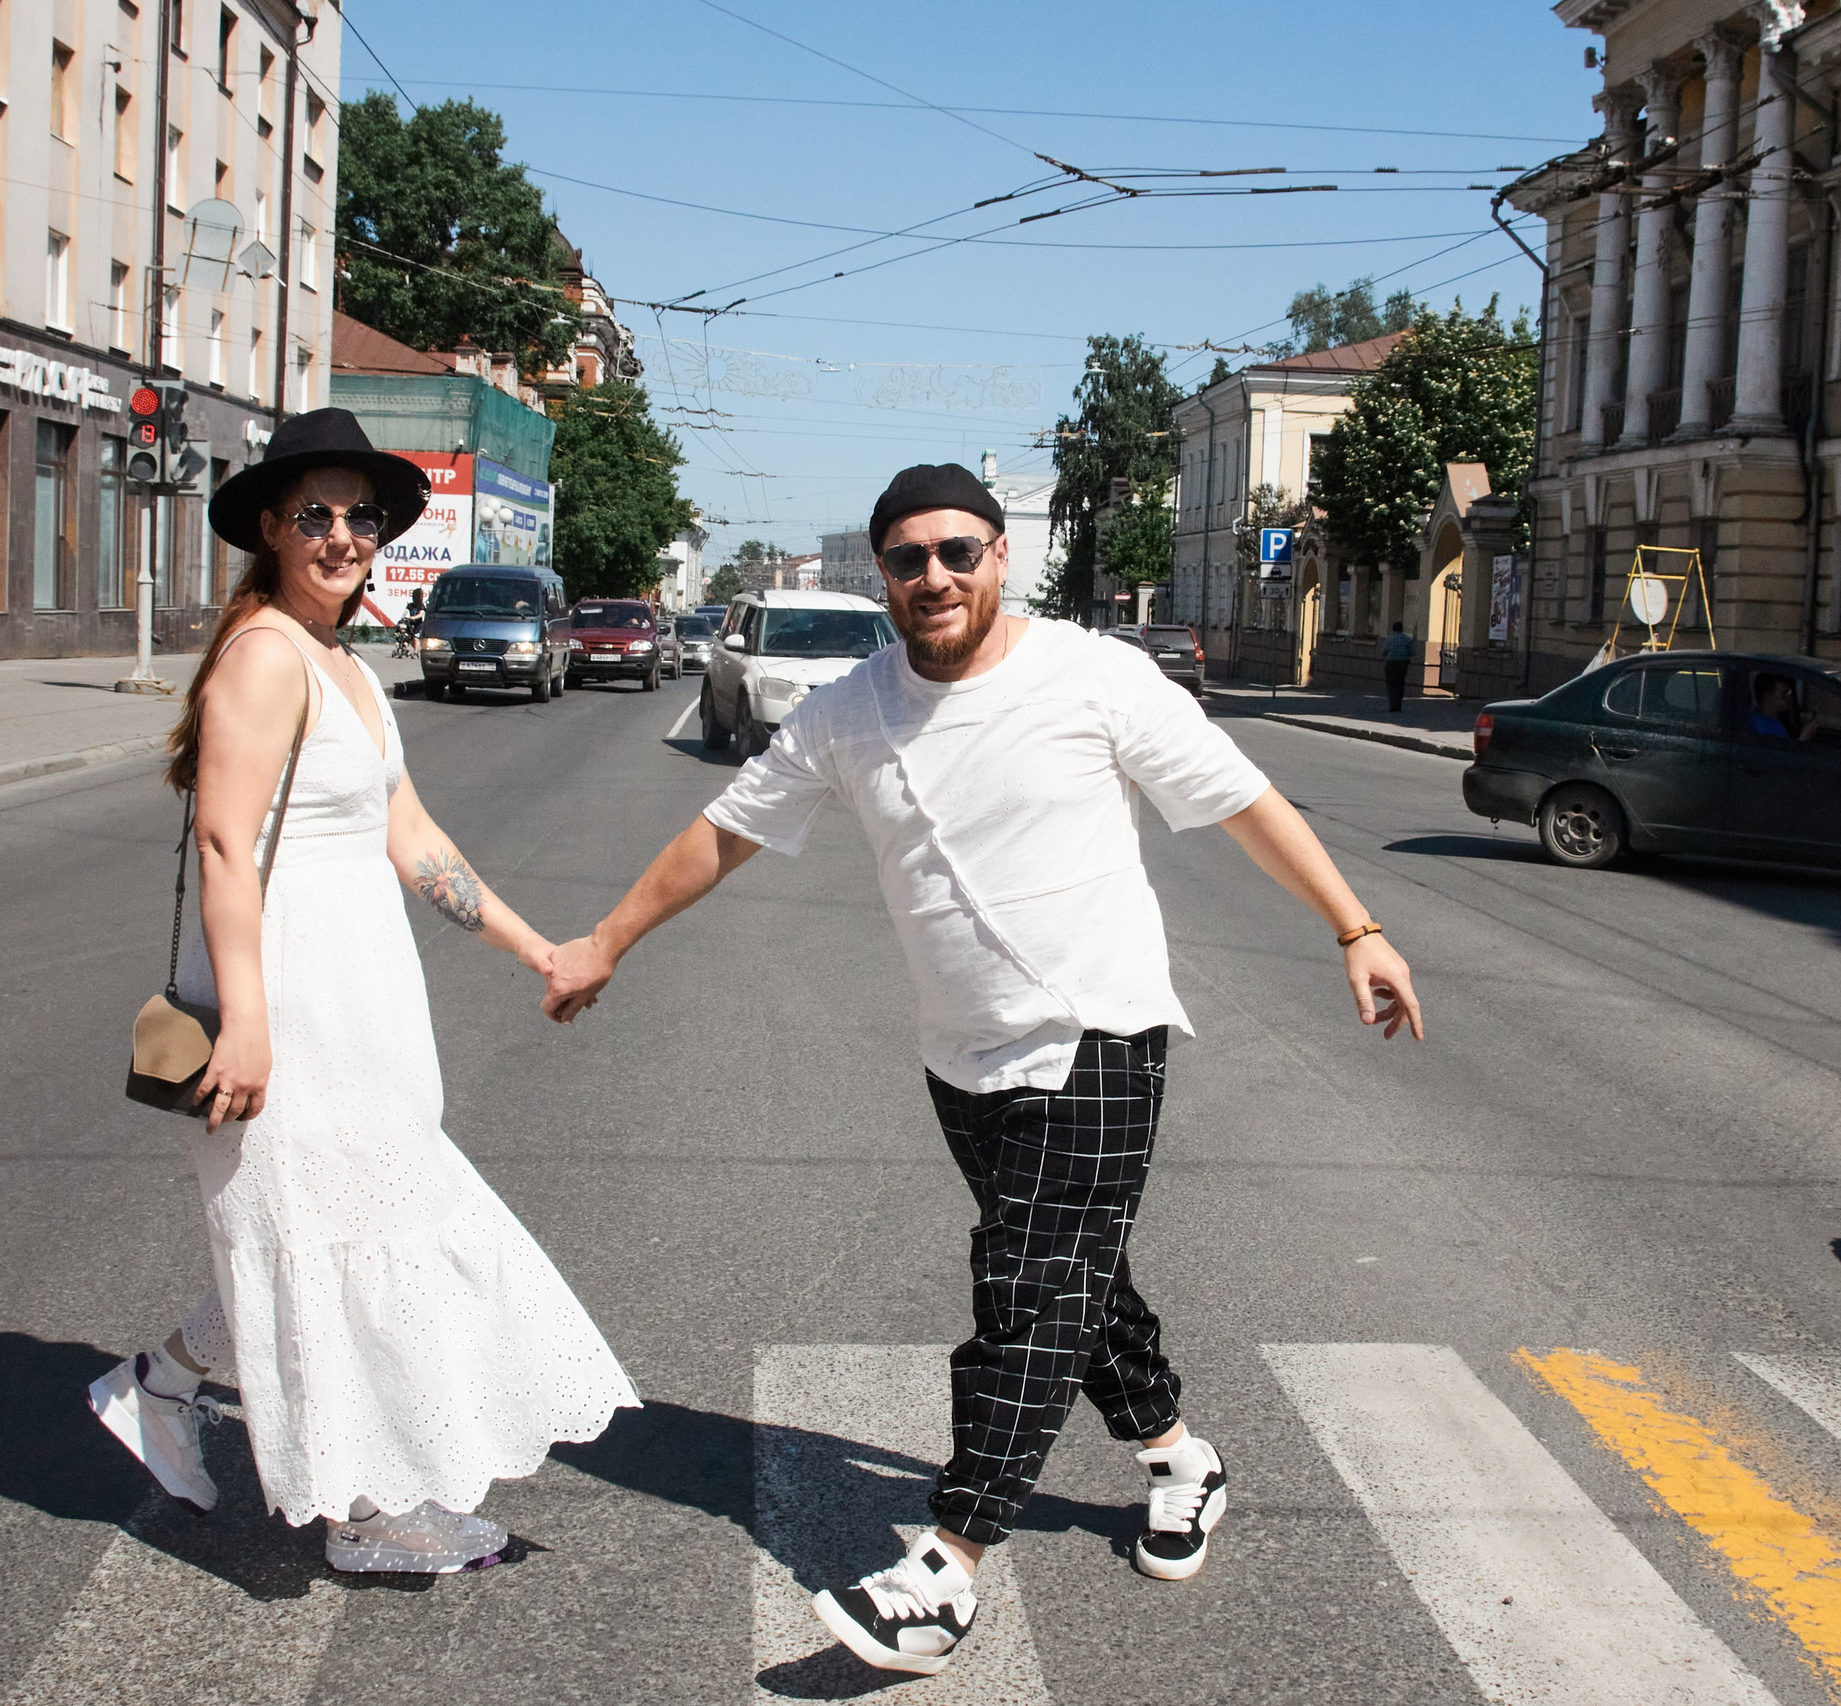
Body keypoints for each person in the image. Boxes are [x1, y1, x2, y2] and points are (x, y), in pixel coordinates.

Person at [543, 463, 1424, 1677]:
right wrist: (606, 939)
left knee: (1026, 1287)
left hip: (1100, 1033)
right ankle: (1178, 1456)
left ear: (1001, 556)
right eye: (908, 559)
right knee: (1078, 1281)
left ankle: (946, 1565)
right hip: (961, 1054)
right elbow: (724, 830)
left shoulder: (1095, 675)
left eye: (958, 551)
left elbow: (1241, 799)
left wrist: (1354, 926)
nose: (934, 576)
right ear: (884, 576)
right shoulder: (852, 709)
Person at [89, 408, 637, 1575]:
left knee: (341, 1238)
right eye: (316, 514)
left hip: (362, 1005)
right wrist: (245, 1020)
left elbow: (414, 839)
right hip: (286, 1006)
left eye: (361, 515)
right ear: (274, 529)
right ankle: (364, 1512)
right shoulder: (264, 654)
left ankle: (162, 1387)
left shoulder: (347, 664)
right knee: (325, 1246)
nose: (343, 534)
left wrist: (535, 947)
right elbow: (227, 846)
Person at [1378, 621, 1416, 712]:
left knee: (1391, 684)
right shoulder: (1407, 639)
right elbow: (1412, 652)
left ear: (1393, 629)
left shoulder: (1389, 639)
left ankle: (1392, 705)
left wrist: (1384, 656)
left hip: (1391, 663)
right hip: (1403, 663)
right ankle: (1398, 705)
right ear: (1402, 629)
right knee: (1400, 684)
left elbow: (1384, 652)